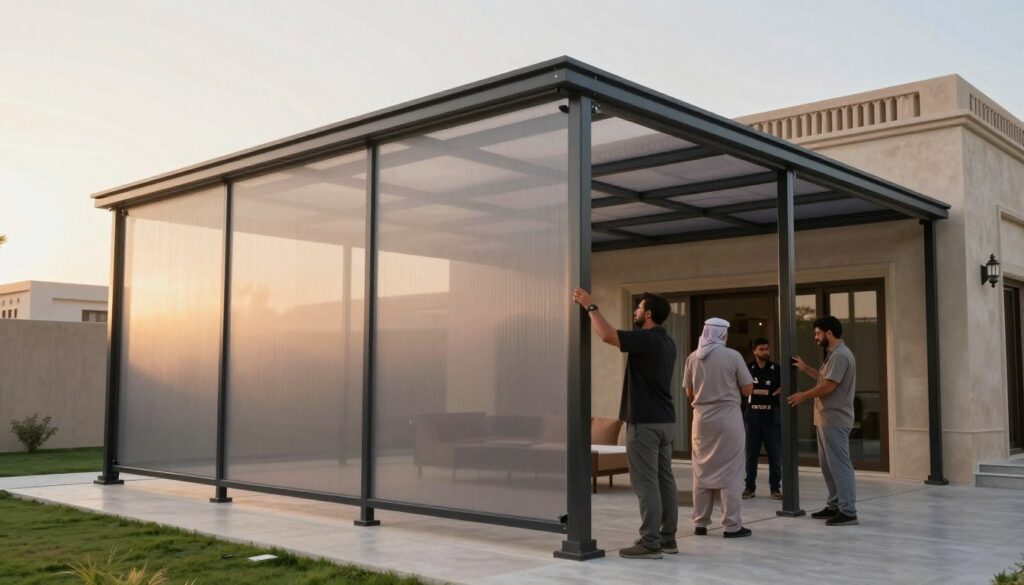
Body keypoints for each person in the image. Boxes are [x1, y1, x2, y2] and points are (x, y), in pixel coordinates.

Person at [572, 288, 678, 560]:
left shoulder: (647, 338)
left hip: (644, 423)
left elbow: (608, 335)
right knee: (664, 480)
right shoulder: (667, 342)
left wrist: (590, 307)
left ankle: (650, 543)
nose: (635, 312)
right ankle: (667, 539)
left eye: (639, 308)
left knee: (646, 484)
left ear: (649, 313)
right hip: (665, 421)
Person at [682, 318, 754, 538]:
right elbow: (747, 389)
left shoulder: (693, 357)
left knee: (701, 470)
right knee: (732, 471)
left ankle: (701, 523)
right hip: (728, 419)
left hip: (701, 420)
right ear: (722, 334)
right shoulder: (733, 356)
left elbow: (689, 393)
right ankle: (732, 526)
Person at [787, 315, 859, 526]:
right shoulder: (832, 355)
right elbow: (823, 377)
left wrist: (803, 396)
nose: (815, 337)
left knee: (839, 466)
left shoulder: (840, 356)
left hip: (835, 419)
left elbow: (829, 386)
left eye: (818, 333)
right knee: (828, 466)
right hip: (825, 419)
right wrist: (805, 367)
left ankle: (848, 511)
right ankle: (834, 505)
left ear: (829, 333)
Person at [743, 337, 783, 500]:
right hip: (752, 418)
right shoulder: (747, 369)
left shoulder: (776, 369)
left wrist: (781, 390)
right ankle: (749, 487)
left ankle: (775, 488)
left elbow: (783, 387)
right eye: (762, 349)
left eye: (767, 349)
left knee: (774, 455)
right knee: (751, 455)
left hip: (771, 418)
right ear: (754, 351)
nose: (766, 352)